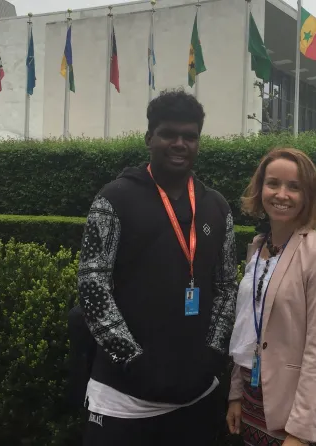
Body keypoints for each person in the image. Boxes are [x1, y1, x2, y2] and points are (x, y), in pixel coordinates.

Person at [76, 89, 238, 445]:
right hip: (124, 397)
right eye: (169, 134)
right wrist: (132, 360)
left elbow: (227, 285)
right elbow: (92, 285)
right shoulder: (114, 199)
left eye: (190, 136)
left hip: (196, 394)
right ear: (150, 138)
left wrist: (212, 353)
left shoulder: (216, 206)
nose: (179, 143)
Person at [226, 148, 316, 445]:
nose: (281, 194)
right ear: (260, 188)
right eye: (273, 183)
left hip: (298, 408)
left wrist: (300, 432)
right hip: (254, 399)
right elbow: (248, 328)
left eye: (294, 187)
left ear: (309, 195)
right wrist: (236, 393)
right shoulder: (257, 246)